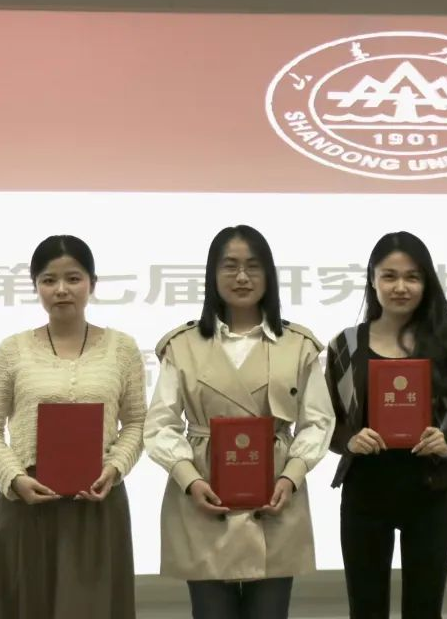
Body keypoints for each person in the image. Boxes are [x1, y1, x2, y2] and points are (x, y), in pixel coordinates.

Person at [143, 225, 336, 619]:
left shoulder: (297, 344)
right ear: (212, 275)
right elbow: (160, 423)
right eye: (230, 266)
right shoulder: (182, 345)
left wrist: (291, 477)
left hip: (275, 493)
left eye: (253, 266)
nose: (242, 277)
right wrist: (189, 479)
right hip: (204, 491)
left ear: (269, 275)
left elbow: (318, 421)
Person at [0, 235, 146, 618]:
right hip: (27, 503)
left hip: (98, 503)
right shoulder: (12, 350)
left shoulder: (122, 348)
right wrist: (14, 478)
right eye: (48, 280)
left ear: (92, 283)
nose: (61, 289)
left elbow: (137, 422)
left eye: (73, 278)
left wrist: (114, 468)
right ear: (36, 286)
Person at [324, 230, 447, 619]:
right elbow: (325, 421)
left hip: (430, 490)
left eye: (412, 277)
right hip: (365, 491)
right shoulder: (346, 345)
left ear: (427, 282)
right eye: (389, 276)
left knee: (425, 609)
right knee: (365, 608)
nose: (400, 287)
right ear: (372, 279)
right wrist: (349, 440)